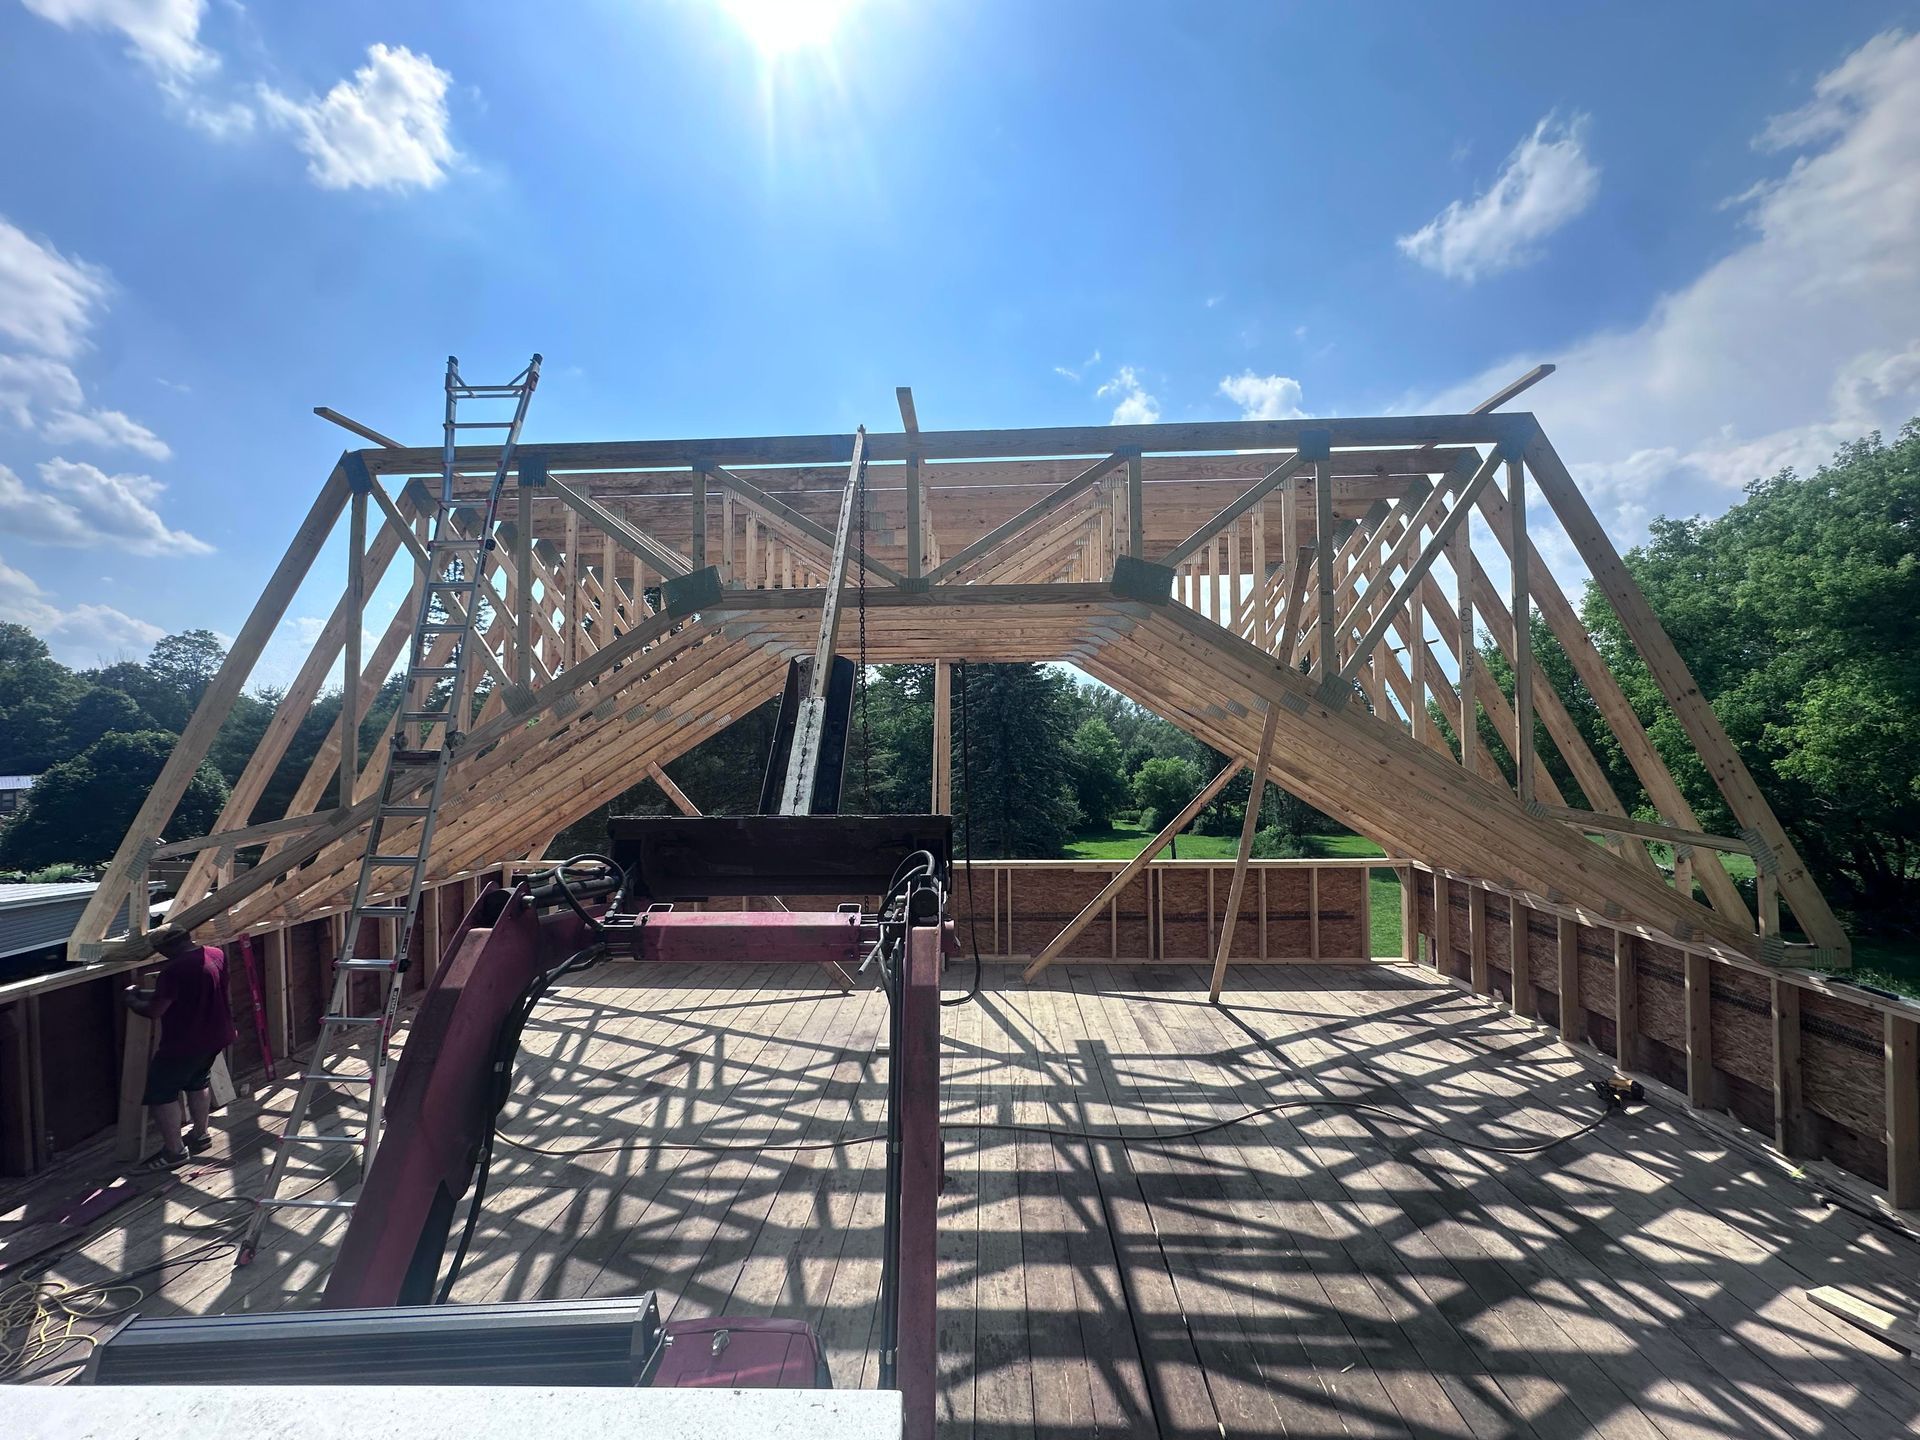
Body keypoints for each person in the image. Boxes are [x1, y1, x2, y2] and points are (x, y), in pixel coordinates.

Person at [124, 926, 237, 1171]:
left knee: (160, 1094)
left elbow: (155, 1011)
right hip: (217, 1034)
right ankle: (200, 1135)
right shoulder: (215, 954)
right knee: (198, 1081)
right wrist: (151, 993)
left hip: (186, 1042)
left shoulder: (173, 970)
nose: (160, 954)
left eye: (160, 950)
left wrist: (132, 1001)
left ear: (168, 948)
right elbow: (189, 989)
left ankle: (174, 1152)